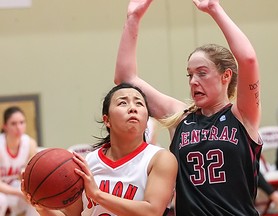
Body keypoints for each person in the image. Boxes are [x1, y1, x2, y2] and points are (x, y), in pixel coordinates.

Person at [114, 0, 262, 215]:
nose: (193, 81)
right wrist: (133, 18)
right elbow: (125, 78)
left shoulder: (242, 115)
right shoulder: (181, 117)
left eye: (202, 73)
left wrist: (214, 9)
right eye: (190, 74)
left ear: (226, 76)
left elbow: (248, 59)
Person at [22, 83, 178, 216]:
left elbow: (152, 211)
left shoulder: (160, 158)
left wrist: (97, 195)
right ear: (107, 120)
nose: (132, 108)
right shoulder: (86, 162)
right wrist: (41, 207)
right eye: (123, 103)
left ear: (146, 119)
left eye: (139, 103)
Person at [0, 106, 39, 216]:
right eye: (13, 123)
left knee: (34, 198)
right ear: (5, 126)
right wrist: (18, 193)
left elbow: (32, 176)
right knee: (1, 201)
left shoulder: (30, 143)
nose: (19, 127)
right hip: (3, 192)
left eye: (22, 122)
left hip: (15, 188)